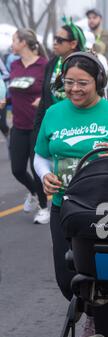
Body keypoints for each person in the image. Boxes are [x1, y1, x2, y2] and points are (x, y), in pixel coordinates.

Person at [34, 52, 108, 337]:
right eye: (68, 82)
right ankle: (90, 313)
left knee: (103, 278)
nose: (75, 89)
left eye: (83, 83)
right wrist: (44, 176)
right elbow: (40, 155)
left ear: (99, 82)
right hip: (64, 208)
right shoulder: (54, 113)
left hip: (104, 212)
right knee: (67, 280)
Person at [9, 29, 50, 224]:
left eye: (14, 40)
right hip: (17, 124)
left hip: (37, 126)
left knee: (36, 168)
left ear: (24, 42)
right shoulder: (14, 64)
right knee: (17, 169)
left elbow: (53, 90)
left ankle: (44, 208)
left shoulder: (44, 64)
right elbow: (12, 91)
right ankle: (34, 192)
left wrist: (43, 99)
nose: (12, 44)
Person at [34, 18, 87, 136]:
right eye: (54, 38)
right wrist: (37, 132)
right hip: (51, 125)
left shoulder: (86, 66)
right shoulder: (51, 64)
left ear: (73, 43)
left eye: (60, 40)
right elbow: (44, 101)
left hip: (77, 127)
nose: (55, 42)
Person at [86, 8, 108, 103]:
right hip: (90, 78)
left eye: (94, 17)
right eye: (89, 18)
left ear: (100, 19)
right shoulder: (85, 35)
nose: (91, 20)